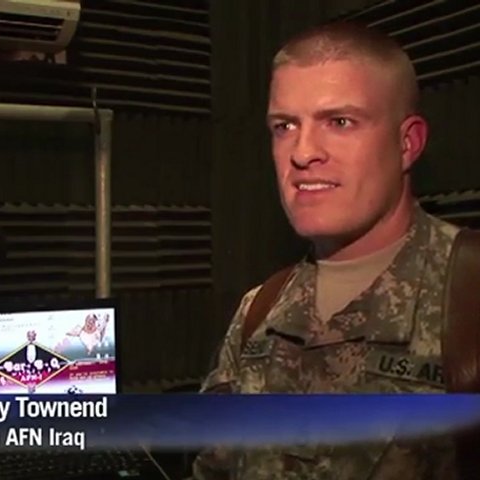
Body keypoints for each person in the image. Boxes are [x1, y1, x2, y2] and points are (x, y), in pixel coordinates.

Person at [192, 20, 460, 479]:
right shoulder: (259, 312)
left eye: (339, 122)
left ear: (407, 143)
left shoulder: (467, 301)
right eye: (285, 126)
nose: (302, 152)